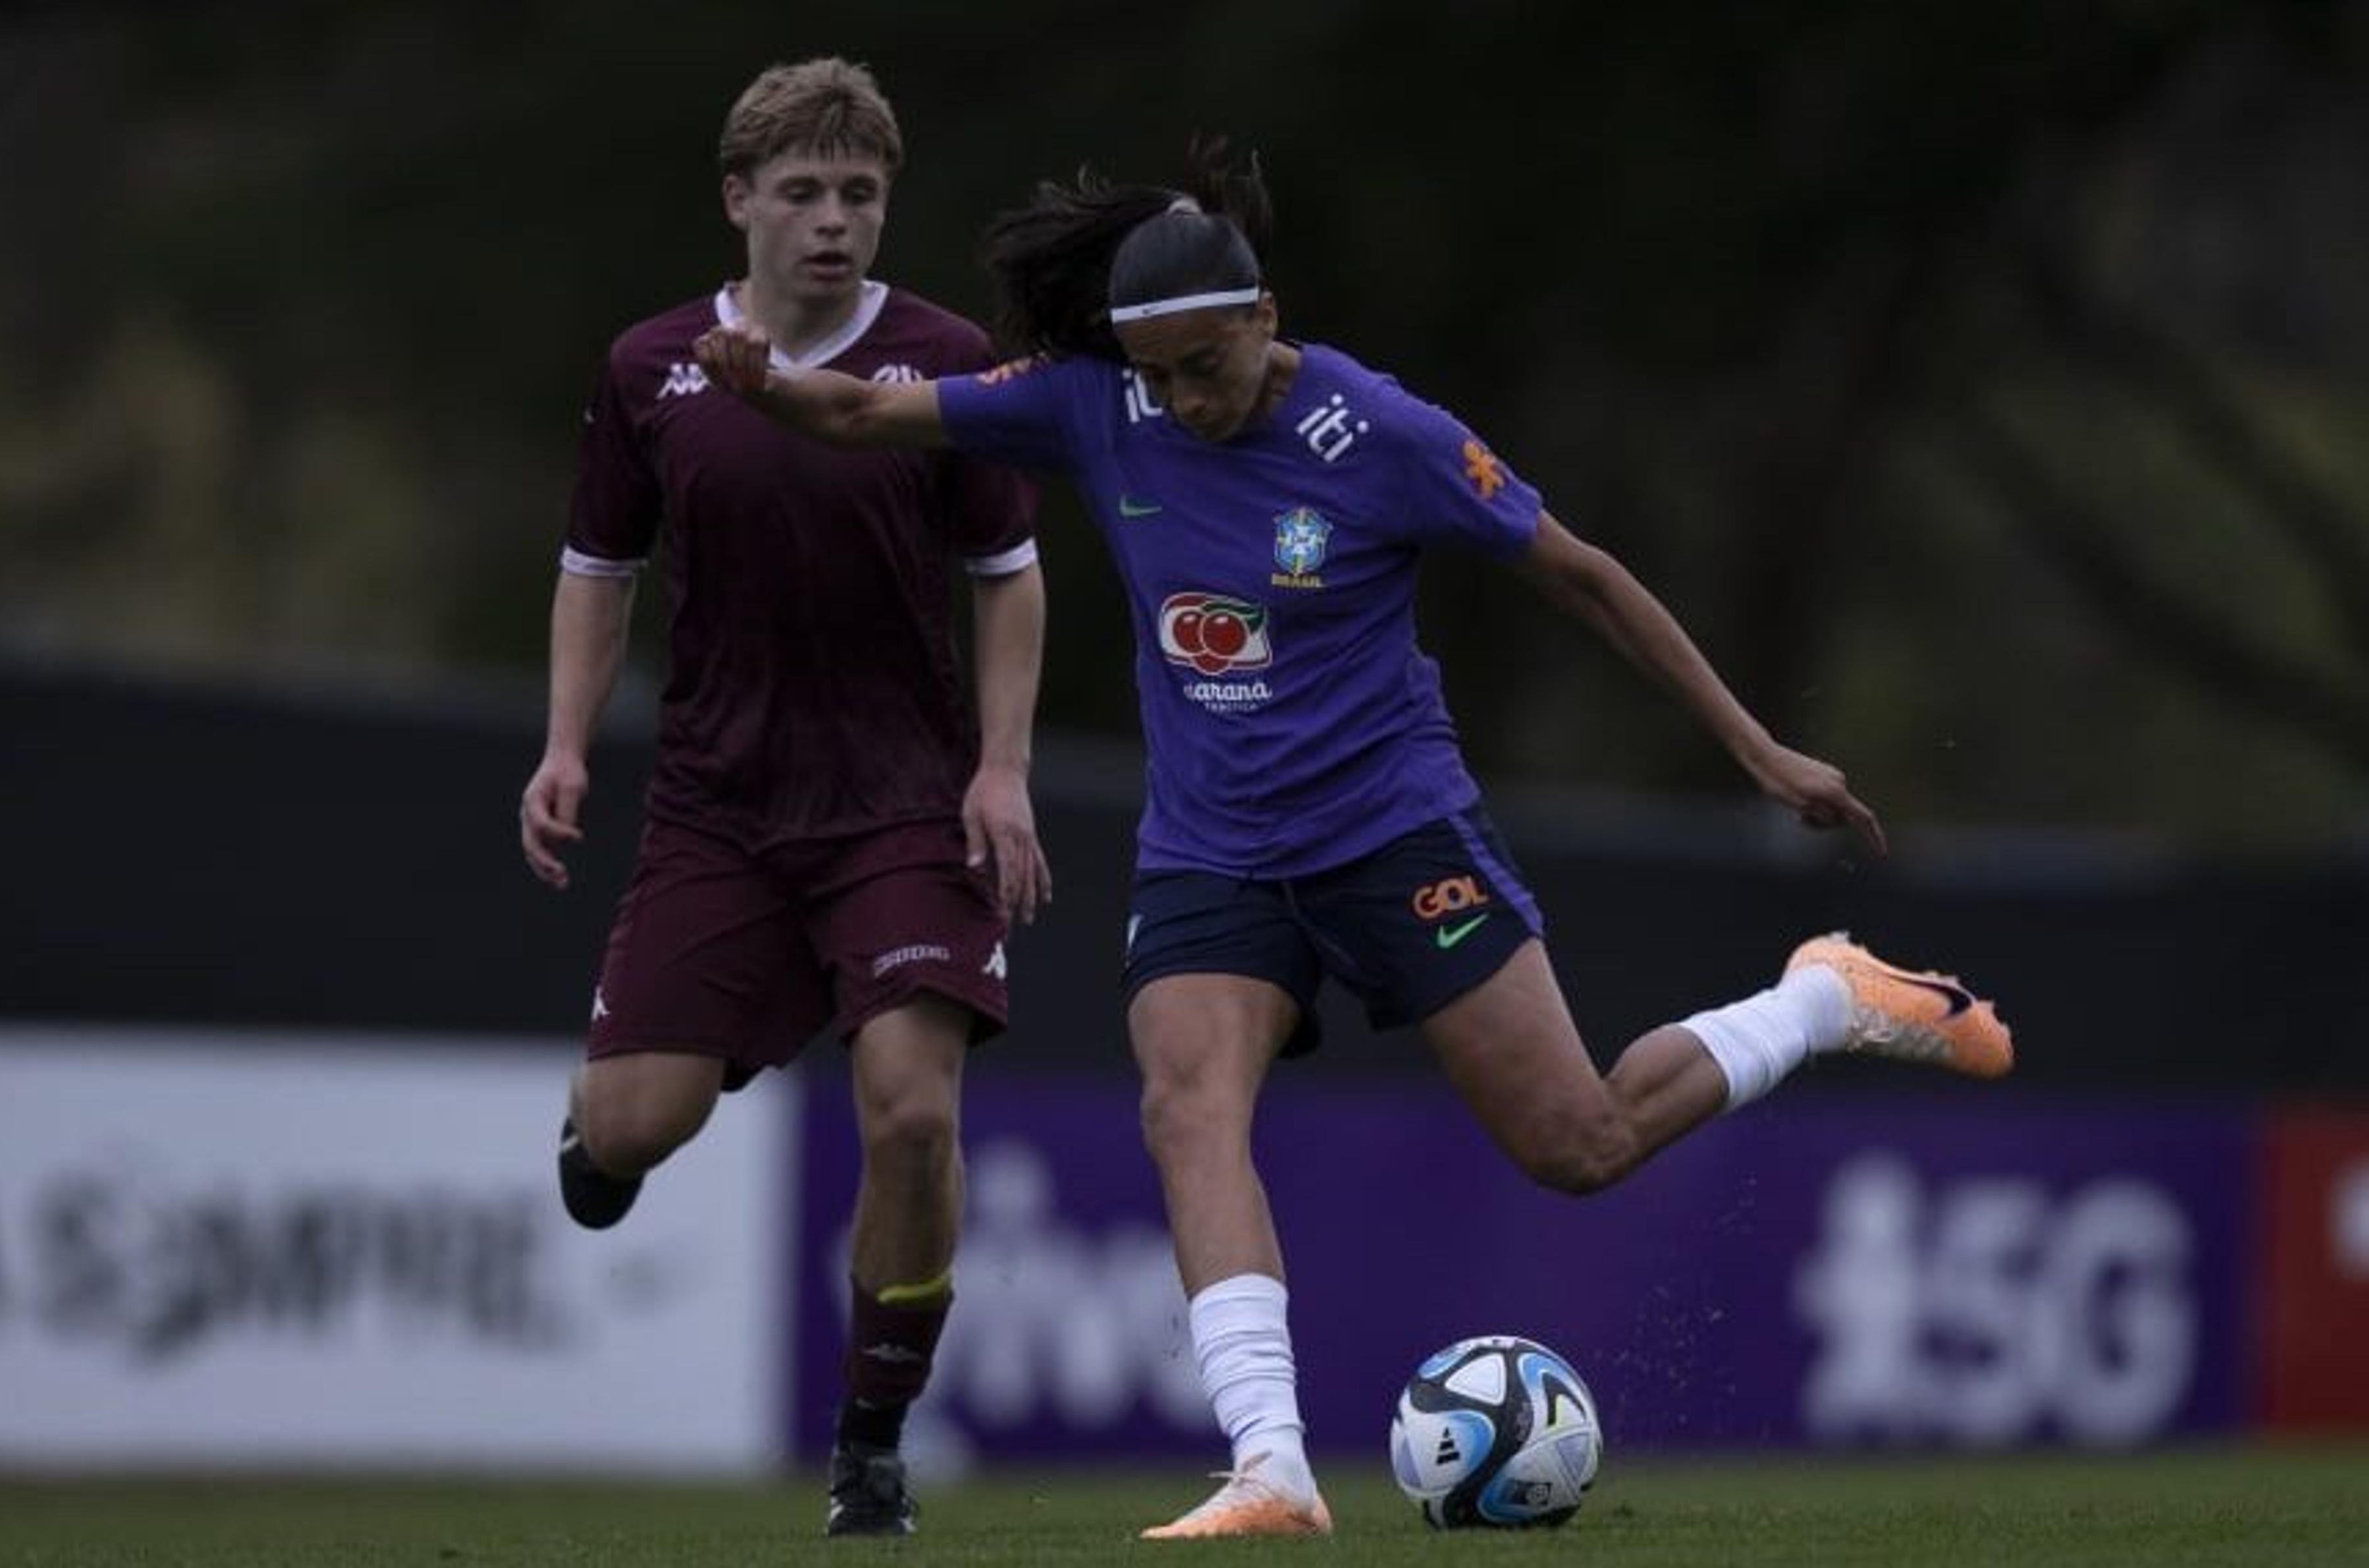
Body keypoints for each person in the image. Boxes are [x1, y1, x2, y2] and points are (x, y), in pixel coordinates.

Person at [691, 145, 2013, 1541]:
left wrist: (1758, 749)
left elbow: (1588, 578)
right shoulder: (1097, 402)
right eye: (1162, 374)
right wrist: (764, 383)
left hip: (1391, 831)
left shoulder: (1381, 434)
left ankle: (1820, 994)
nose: (1185, 402)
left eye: (1207, 366)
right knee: (1184, 1103)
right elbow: (859, 408)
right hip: (1211, 851)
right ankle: (1272, 1466)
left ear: (1264, 318)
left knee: (1579, 1143)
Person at [517, 59, 1049, 1539]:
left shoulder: (948, 365)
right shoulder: (651, 367)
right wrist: (565, 746)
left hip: (903, 811)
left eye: (860, 196)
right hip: (719, 813)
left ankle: (871, 1440)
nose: (833, 223)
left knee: (912, 1118)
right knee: (636, 1124)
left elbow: (1008, 581)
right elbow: (596, 571)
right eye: (803, 193)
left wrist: (1000, 770)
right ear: (740, 201)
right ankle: (624, 1110)